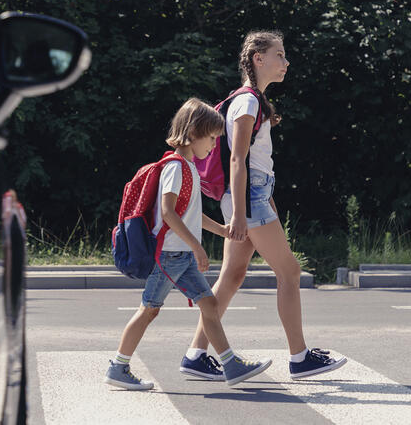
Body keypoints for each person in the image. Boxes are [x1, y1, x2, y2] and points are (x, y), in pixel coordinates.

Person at [181, 31, 346, 381]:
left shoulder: (252, 102)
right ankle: (300, 357)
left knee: (233, 275)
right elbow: (238, 160)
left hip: (253, 195)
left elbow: (253, 162)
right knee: (289, 272)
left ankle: (195, 354)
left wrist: (260, 200)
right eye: (279, 55)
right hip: (247, 198)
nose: (285, 62)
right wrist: (242, 213)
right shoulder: (248, 102)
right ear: (258, 58)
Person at [105, 98, 272, 390]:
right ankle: (119, 367)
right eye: (211, 138)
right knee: (149, 310)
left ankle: (230, 365)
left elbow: (190, 214)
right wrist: (197, 246)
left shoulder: (189, 168)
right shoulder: (175, 167)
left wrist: (221, 229)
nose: (212, 146)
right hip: (169, 256)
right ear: (193, 133)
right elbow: (169, 213)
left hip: (179, 255)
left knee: (209, 303)